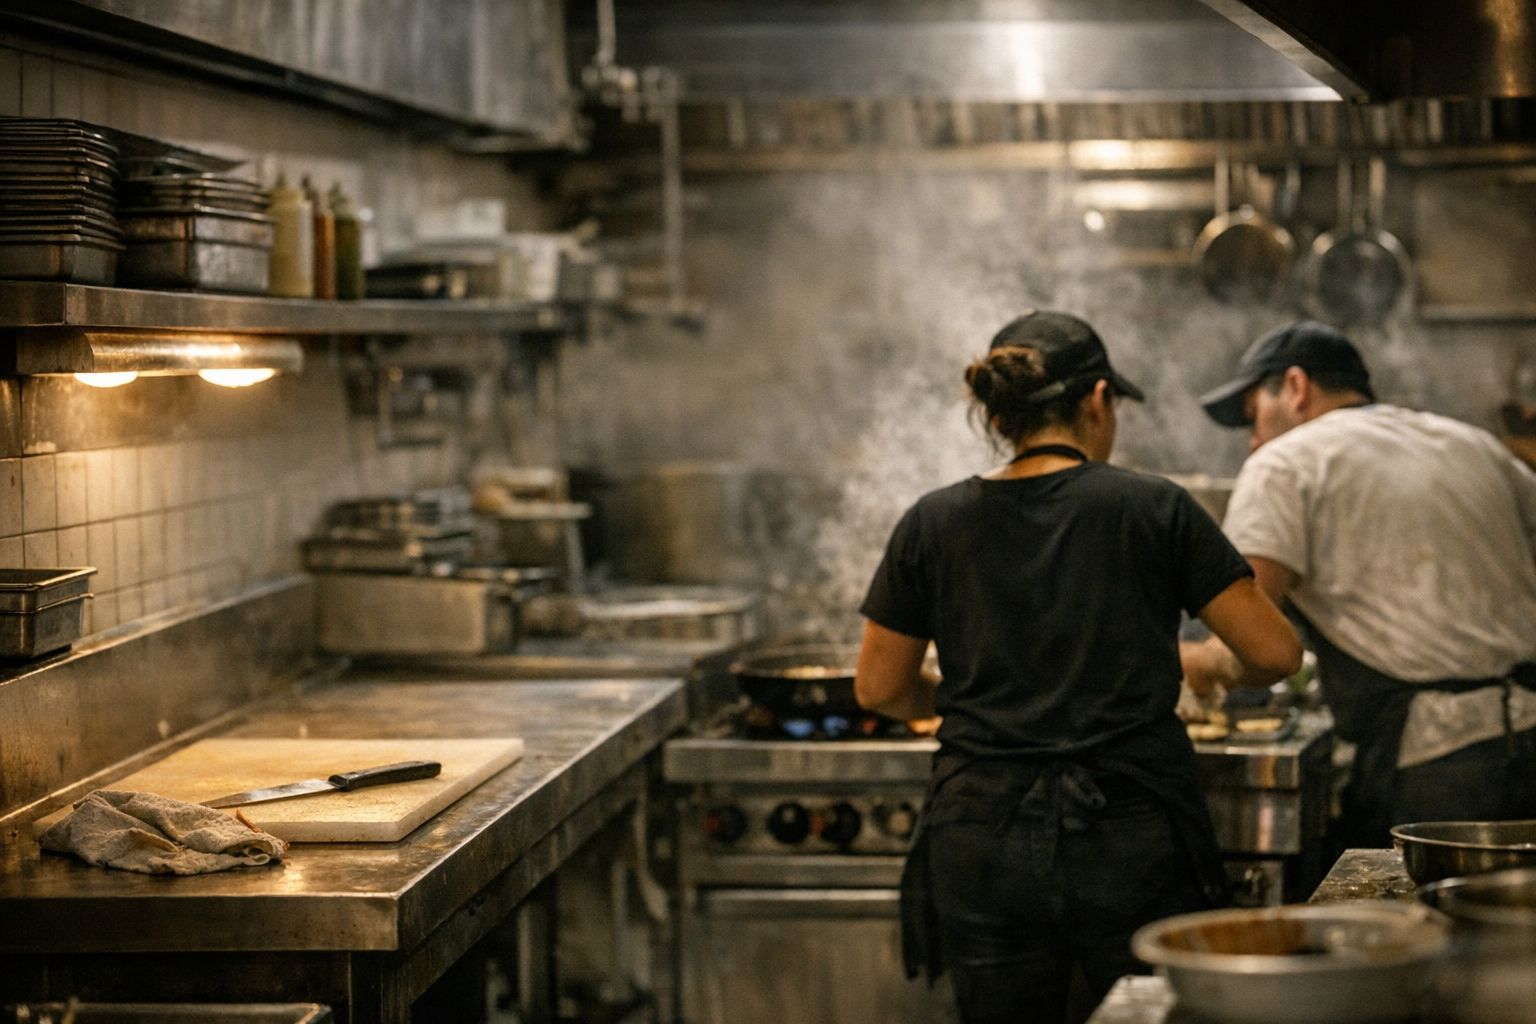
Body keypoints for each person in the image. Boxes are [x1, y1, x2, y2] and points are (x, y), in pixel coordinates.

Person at [855, 311, 1302, 1024]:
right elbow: (1275, 653)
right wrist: (1225, 673)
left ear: (998, 413)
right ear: (1098, 400)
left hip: (982, 834)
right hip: (1127, 832)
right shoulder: (1153, 507)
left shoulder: (931, 521)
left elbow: (879, 688)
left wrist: (946, 696)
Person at [1189, 320, 1536, 848]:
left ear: (1296, 387)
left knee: (1424, 927)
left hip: (1437, 769)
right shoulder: (1477, 446)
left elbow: (1249, 648)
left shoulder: (1285, 462)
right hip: (1530, 735)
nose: (1254, 439)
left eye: (1252, 416)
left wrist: (1190, 665)